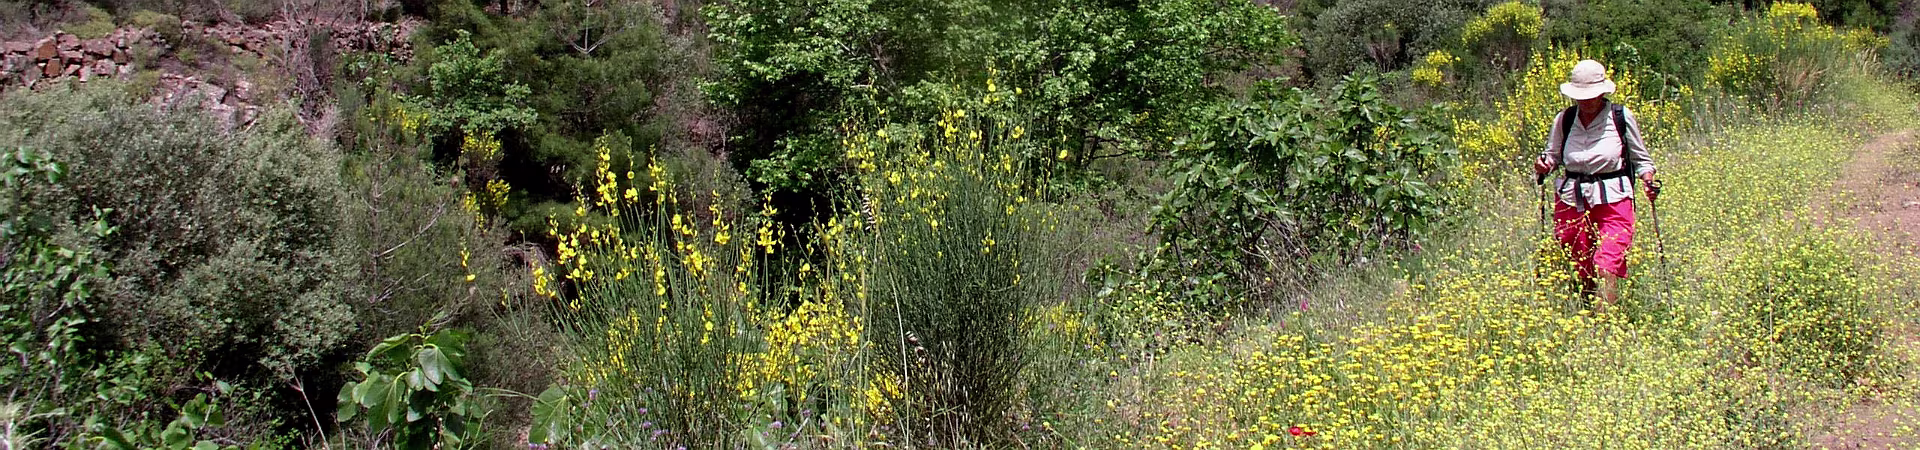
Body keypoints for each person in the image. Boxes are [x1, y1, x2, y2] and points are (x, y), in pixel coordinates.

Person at [1533, 59, 1657, 313]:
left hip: (1614, 197)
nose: (1586, 101)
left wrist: (1648, 180)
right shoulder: (1565, 119)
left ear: (1602, 92)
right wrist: (1544, 164)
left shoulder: (1621, 117)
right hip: (1572, 198)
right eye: (1581, 96)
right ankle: (1587, 306)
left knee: (1607, 260)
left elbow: (1641, 159)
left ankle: (1604, 324)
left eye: (1591, 96)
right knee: (1580, 259)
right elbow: (1553, 155)